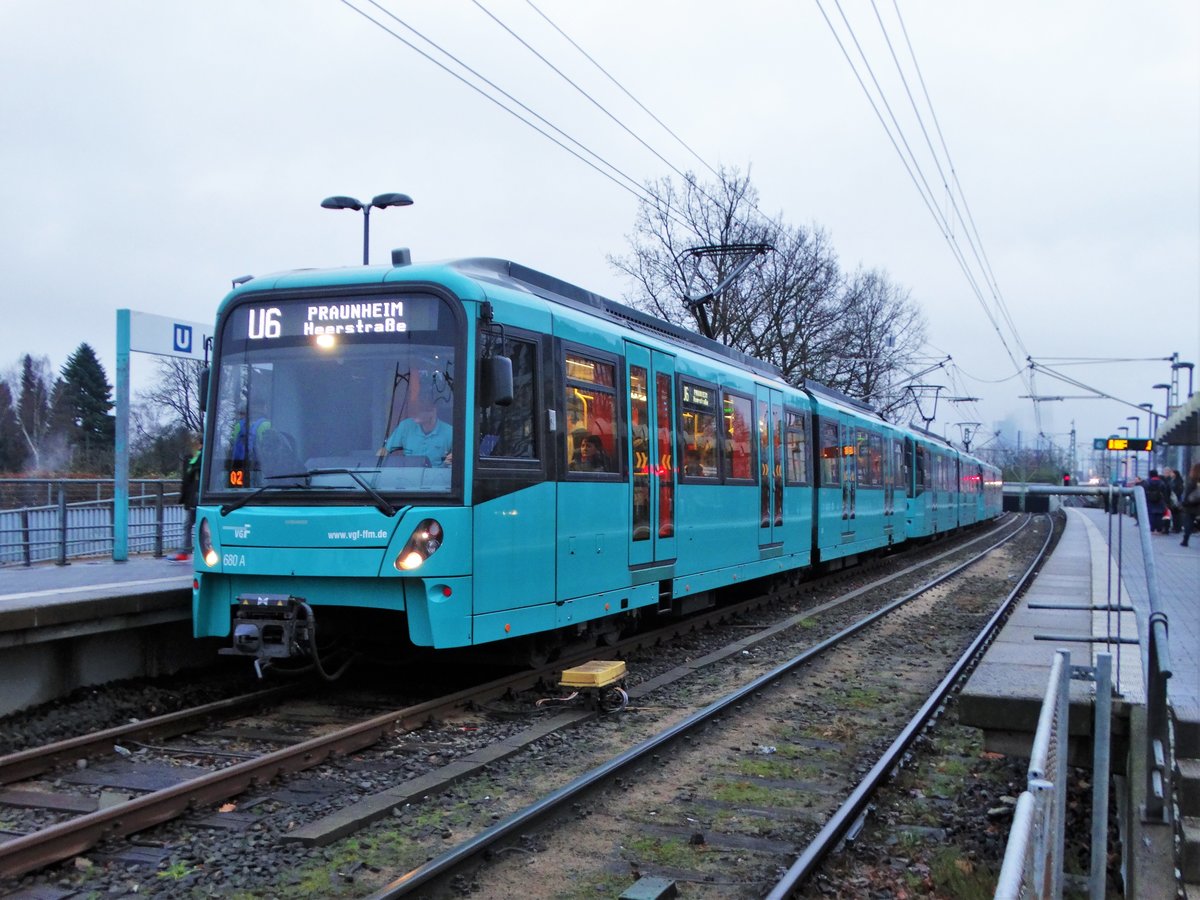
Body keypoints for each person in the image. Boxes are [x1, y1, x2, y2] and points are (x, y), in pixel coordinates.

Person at [381, 396, 453, 467]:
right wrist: (376, 466)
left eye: (419, 410)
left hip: (437, 477)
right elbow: (385, 451)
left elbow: (458, 461)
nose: (413, 413)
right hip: (408, 476)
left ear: (433, 411)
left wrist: (451, 461)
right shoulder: (405, 426)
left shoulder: (450, 432)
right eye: (412, 410)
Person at [170, 438, 201, 562]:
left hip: (195, 497)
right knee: (191, 524)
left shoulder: (199, 458)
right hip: (193, 497)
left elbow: (190, 479)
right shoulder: (194, 458)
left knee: (189, 524)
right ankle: (186, 550)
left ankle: (186, 551)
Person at [1141, 469, 1171, 534]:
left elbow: (1144, 491)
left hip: (1150, 501)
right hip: (1160, 501)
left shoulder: (1147, 482)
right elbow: (1165, 493)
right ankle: (1158, 529)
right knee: (1159, 515)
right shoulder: (1161, 482)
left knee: (1151, 515)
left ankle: (1152, 529)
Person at [1181, 462, 1200, 548]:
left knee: (1188, 523)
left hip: (1191, 507)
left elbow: (1187, 494)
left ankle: (1185, 540)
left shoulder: (1193, 481)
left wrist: (1184, 503)